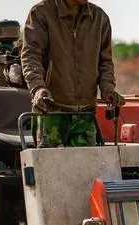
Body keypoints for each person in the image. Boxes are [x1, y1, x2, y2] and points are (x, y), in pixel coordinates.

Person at [21, 0, 124, 147]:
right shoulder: (42, 12)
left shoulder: (99, 18)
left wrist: (107, 88)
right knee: (49, 165)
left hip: (86, 114)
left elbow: (105, 62)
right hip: (51, 110)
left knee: (86, 167)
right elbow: (31, 56)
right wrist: (38, 88)